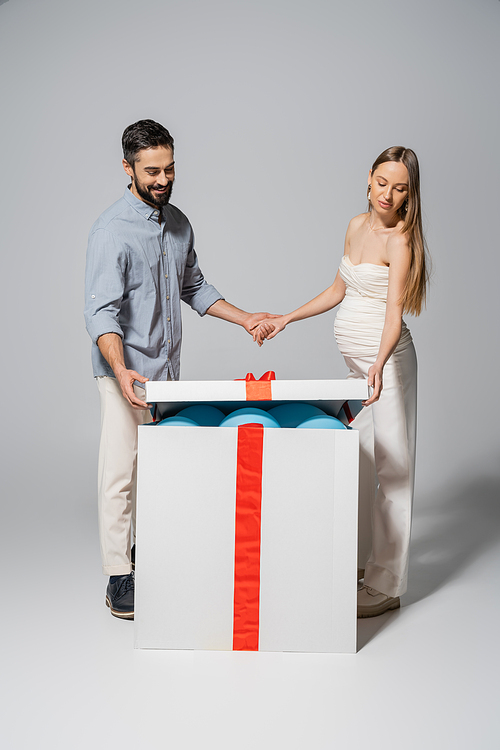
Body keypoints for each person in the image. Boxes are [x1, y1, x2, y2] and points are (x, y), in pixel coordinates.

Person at [84, 119, 275, 620]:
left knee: (160, 470)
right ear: (127, 169)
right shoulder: (110, 231)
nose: (163, 180)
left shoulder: (180, 223)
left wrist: (245, 318)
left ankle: (152, 557)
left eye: (169, 169)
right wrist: (123, 374)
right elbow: (100, 313)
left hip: (167, 375)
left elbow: (194, 287)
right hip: (123, 371)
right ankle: (117, 576)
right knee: (119, 474)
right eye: (151, 171)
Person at [255, 146, 429, 617]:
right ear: (369, 178)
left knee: (394, 469)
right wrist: (288, 317)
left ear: (410, 195)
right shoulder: (356, 225)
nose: (388, 195)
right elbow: (338, 289)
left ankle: (388, 584)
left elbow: (393, 316)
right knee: (365, 458)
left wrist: (378, 362)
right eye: (382, 182)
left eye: (400, 188)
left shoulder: (401, 242)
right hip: (360, 367)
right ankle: (363, 565)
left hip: (385, 364)